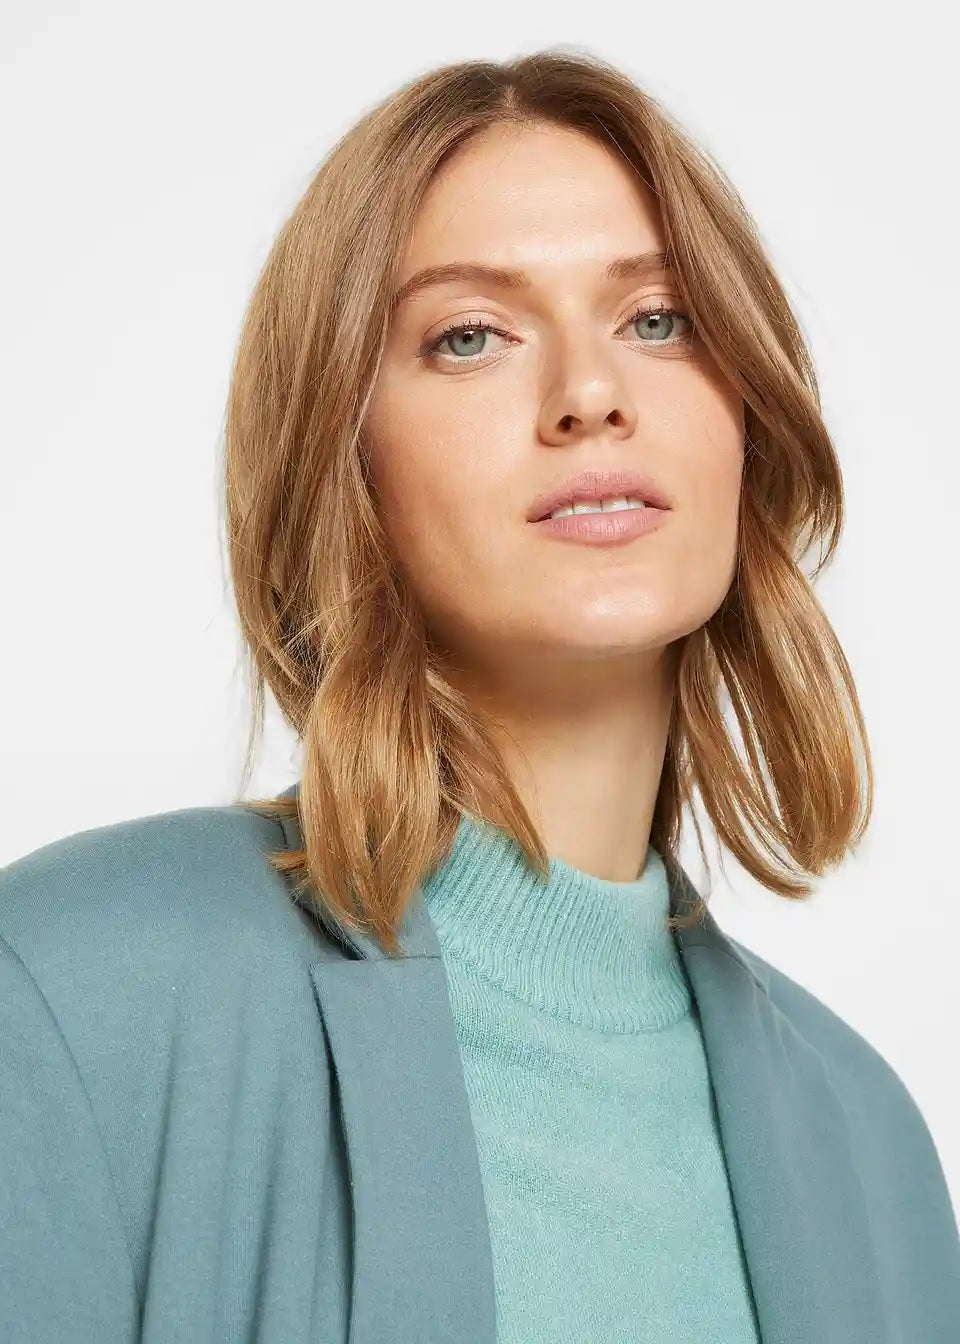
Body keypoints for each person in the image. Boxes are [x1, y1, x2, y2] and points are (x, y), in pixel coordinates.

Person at [2, 49, 958, 1344]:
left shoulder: (875, 1154)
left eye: (659, 318)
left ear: (750, 415)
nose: (590, 395)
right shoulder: (69, 989)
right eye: (470, 337)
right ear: (345, 456)